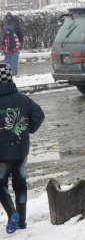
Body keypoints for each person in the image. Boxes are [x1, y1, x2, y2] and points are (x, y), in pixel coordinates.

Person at [0, 63, 45, 234]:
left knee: (1, 183)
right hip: (20, 150)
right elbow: (39, 115)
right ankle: (22, 221)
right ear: (10, 78)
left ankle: (12, 213)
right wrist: (27, 131)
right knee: (20, 183)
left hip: (1, 155)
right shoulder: (23, 99)